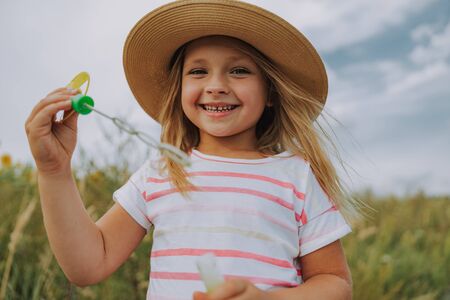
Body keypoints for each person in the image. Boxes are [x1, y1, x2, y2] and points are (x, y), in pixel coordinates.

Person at [25, 1, 363, 299]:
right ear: (180, 90)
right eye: (198, 71)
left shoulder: (295, 175)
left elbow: (334, 282)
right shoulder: (161, 173)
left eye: (239, 70)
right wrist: (54, 172)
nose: (216, 86)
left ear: (271, 91)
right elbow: (88, 265)